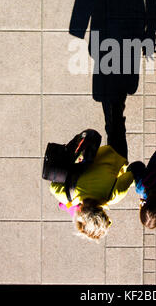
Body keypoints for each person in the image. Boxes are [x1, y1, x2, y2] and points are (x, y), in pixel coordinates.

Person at [49, 98, 134, 241]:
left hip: (115, 155)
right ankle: (110, 104)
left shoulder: (113, 196)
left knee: (117, 128)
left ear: (104, 214)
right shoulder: (71, 196)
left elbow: (132, 174)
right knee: (111, 126)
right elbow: (53, 186)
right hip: (90, 154)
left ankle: (116, 103)